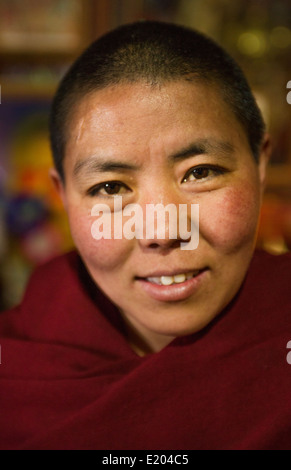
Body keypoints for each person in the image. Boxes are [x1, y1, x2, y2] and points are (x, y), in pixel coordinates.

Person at [0, 20, 290, 451]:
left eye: (200, 172)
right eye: (111, 188)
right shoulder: (20, 369)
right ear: (63, 196)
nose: (163, 232)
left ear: (260, 165)